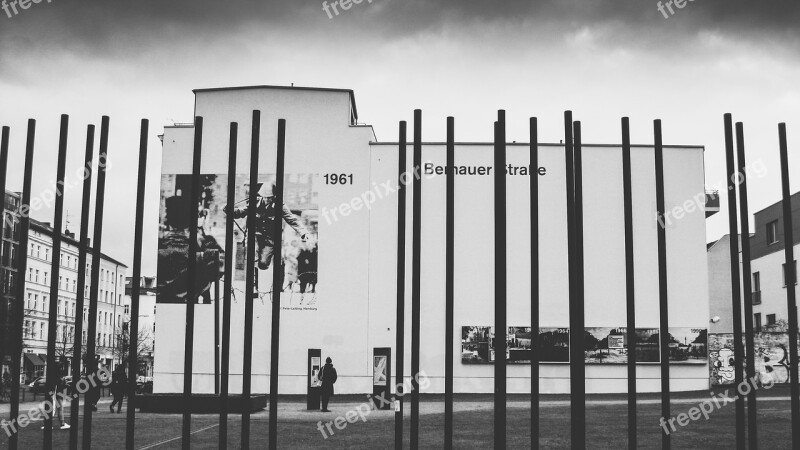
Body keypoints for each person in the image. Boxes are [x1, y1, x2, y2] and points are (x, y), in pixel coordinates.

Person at [224, 182, 308, 271]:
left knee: (263, 264)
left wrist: (303, 232)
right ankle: (252, 278)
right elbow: (241, 212)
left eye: (270, 198)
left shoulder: (280, 206)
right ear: (261, 196)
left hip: (270, 239)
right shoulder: (254, 203)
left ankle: (260, 265)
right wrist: (230, 211)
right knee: (252, 256)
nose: (267, 200)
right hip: (255, 236)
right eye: (265, 197)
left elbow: (292, 219)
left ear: (274, 197)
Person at [42, 362, 69, 430]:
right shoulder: (59, 377)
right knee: (59, 409)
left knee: (50, 409)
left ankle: (47, 424)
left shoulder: (52, 375)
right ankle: (61, 424)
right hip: (57, 394)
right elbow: (61, 386)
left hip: (53, 394)